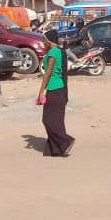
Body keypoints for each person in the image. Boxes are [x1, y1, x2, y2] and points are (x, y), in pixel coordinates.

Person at [36, 29, 75, 157]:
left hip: (54, 88)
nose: (42, 42)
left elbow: (47, 73)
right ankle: (59, 148)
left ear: (48, 40)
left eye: (44, 39)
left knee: (48, 119)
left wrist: (41, 92)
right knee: (56, 120)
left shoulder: (53, 52)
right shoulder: (58, 51)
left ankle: (66, 141)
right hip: (59, 88)